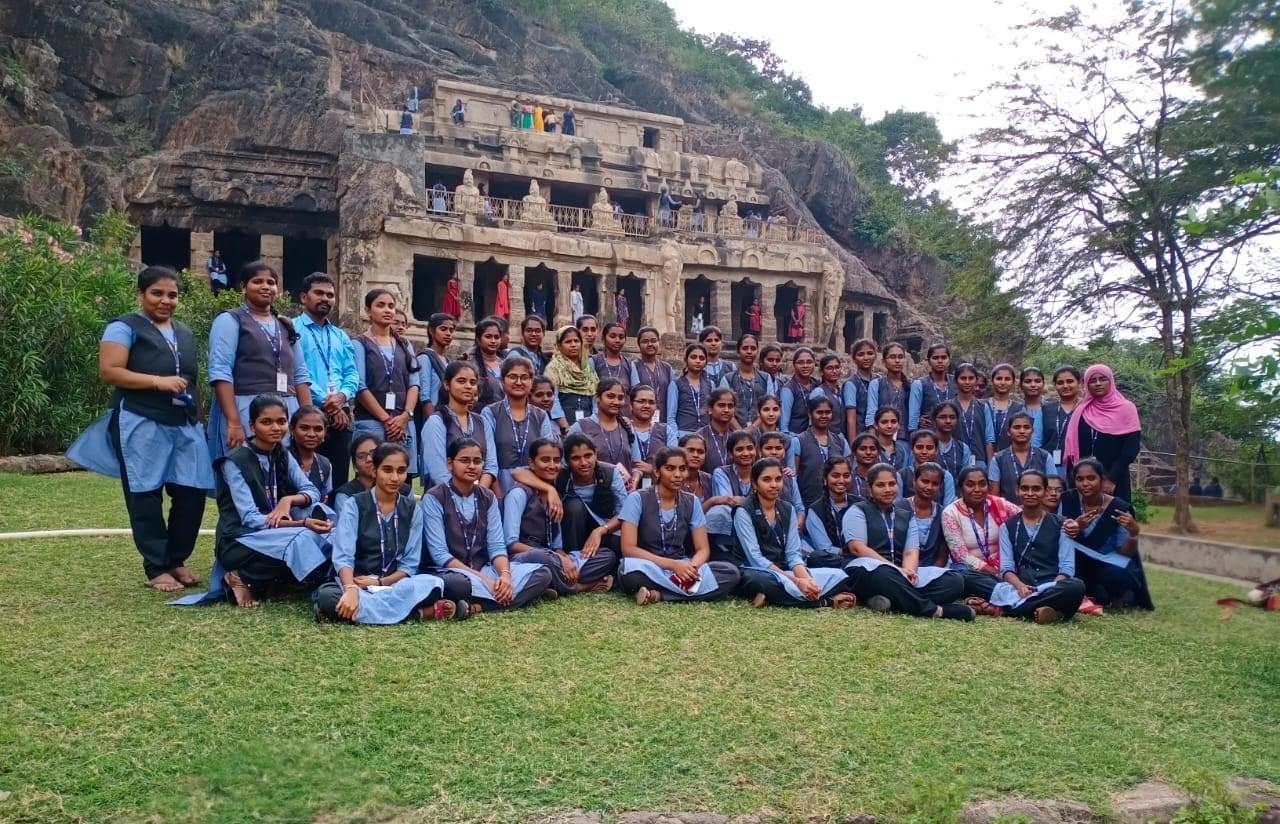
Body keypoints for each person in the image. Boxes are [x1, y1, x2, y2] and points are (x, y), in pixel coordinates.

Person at [67, 266, 213, 592]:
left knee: (192, 490)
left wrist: (199, 419)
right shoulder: (124, 327)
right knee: (145, 493)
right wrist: (157, 382)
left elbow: (192, 380)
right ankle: (156, 566)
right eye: (157, 293)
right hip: (140, 417)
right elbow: (110, 371)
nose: (165, 300)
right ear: (141, 295)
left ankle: (176, 558)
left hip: (184, 421)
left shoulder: (185, 333)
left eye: (172, 295)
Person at [313, 443, 465, 624]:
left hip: (394, 585)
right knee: (329, 597)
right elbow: (343, 557)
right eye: (387, 470)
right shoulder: (354, 505)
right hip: (357, 582)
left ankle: (350, 613)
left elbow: (409, 565)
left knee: (434, 585)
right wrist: (351, 588)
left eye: (401, 471)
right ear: (374, 471)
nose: (395, 477)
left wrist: (381, 583)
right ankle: (421, 614)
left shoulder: (412, 510)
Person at [212, 394, 333, 608]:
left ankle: (271, 583)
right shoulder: (234, 462)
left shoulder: (282, 454)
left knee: (324, 522)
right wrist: (301, 523)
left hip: (273, 533)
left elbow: (311, 490)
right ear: (252, 425)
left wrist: (287, 500)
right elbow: (250, 519)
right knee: (303, 538)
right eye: (266, 422)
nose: (275, 428)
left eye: (281, 421)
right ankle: (238, 576)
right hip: (239, 540)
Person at [422, 438, 553, 614]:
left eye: (477, 461)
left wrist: (505, 576)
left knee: (543, 574)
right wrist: (485, 580)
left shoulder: (488, 497)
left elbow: (497, 546)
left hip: (484, 568)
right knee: (457, 586)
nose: (471, 466)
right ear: (449, 463)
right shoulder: (434, 497)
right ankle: (518, 596)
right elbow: (439, 555)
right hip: (451, 571)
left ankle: (477, 607)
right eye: (464, 460)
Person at [207, 260, 312, 462]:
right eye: (257, 281)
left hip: (286, 409)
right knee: (247, 470)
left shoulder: (286, 325)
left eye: (271, 282)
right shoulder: (230, 320)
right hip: (246, 406)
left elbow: (300, 374)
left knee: (284, 472)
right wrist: (234, 422)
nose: (265, 286)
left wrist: (307, 417)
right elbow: (220, 372)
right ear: (243, 287)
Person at [841, 464, 972, 619]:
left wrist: (909, 572)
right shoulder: (858, 510)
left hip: (897, 573)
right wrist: (896, 570)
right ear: (869, 488)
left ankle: (885, 600)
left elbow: (911, 551)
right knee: (883, 573)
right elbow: (857, 548)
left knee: (954, 581)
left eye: (891, 484)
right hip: (865, 570)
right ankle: (933, 610)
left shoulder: (906, 516)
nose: (887, 489)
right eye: (880, 485)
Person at [619, 447, 742, 604]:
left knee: (730, 573)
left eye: (682, 469)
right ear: (657, 472)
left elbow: (703, 549)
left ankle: (659, 595)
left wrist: (692, 567)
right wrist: (673, 565)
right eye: (670, 468)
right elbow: (628, 549)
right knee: (629, 572)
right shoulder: (637, 498)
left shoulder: (692, 501)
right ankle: (683, 589)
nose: (677, 475)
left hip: (683, 566)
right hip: (650, 566)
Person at [732, 459, 854, 608]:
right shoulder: (743, 511)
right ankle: (827, 601)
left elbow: (793, 554)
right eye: (766, 480)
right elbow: (755, 558)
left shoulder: (788, 509)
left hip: (785, 571)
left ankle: (777, 597)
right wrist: (797, 581)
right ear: (755, 483)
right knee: (762, 581)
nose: (774, 485)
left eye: (778, 479)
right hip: (756, 571)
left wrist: (807, 581)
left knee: (840, 576)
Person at [504, 438, 618, 596]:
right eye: (545, 460)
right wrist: (557, 557)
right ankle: (577, 587)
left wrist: (565, 558)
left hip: (552, 557)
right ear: (531, 463)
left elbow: (556, 545)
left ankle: (550, 585)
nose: (552, 465)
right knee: (545, 559)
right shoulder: (518, 494)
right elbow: (511, 545)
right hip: (526, 557)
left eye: (556, 460)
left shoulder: (555, 492)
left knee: (608, 556)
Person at [984, 469, 1087, 623]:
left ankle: (1011, 610)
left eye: (1036, 489)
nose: (1030, 493)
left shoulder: (1062, 524)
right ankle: (1056, 612)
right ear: (1017, 491)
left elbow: (1067, 567)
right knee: (984, 582)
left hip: (1054, 586)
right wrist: (1020, 586)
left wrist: (1052, 586)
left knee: (1076, 586)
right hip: (1021, 588)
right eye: (1025, 488)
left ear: (1045, 491)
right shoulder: (1007, 527)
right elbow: (1006, 568)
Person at [1061, 458, 1154, 610]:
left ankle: (1114, 593)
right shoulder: (1067, 500)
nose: (1085, 483)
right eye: (1080, 479)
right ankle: (1093, 593)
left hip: (1107, 563)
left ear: (1102, 480)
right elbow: (1059, 535)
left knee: (1115, 575)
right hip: (1077, 562)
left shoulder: (1118, 508)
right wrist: (1075, 526)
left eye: (1091, 478)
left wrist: (1134, 533)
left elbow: (1125, 553)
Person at [353, 289, 420, 479]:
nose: (387, 310)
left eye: (391, 306)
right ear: (368, 310)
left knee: (399, 478)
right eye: (380, 305)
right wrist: (387, 420)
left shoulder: (404, 344)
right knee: (371, 477)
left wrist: (406, 416)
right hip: (371, 423)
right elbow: (360, 385)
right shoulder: (360, 343)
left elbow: (414, 384)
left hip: (402, 422)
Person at [941, 466, 1020, 606]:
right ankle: (1010, 593)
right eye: (970, 485)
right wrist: (991, 571)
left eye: (982, 484)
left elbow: (1025, 518)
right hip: (971, 570)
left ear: (988, 486)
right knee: (961, 577)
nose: (977, 489)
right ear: (961, 488)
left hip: (1004, 566)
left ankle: (993, 595)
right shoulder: (950, 513)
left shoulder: (1000, 504)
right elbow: (960, 555)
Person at [1062, 364, 1142, 503]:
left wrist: (1111, 478)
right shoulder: (1082, 409)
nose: (1098, 383)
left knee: (1114, 518)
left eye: (1103, 379)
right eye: (1092, 380)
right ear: (1086, 384)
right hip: (1082, 480)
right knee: (1081, 520)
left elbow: (1130, 449)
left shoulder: (1126, 408)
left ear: (1111, 381)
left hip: (1114, 479)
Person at [482, 357, 557, 491]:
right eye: (512, 377)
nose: (518, 382)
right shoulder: (490, 413)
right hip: (500, 483)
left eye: (524, 377)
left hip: (536, 485)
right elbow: (490, 461)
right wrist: (498, 496)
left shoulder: (540, 415)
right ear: (502, 382)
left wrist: (546, 490)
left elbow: (548, 457)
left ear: (531, 381)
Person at [421, 362, 498, 490]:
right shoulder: (436, 422)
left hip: (478, 496)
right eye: (461, 381)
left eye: (472, 383)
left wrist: (478, 495)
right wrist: (460, 497)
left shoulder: (482, 421)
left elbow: (491, 465)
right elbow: (438, 471)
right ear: (447, 385)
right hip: (443, 497)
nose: (468, 386)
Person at [788, 396, 851, 505]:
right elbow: (794, 476)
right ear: (810, 414)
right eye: (819, 412)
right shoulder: (799, 441)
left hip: (837, 504)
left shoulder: (840, 441)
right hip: (808, 503)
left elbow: (849, 473)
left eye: (828, 412)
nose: (824, 416)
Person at [568, 378, 636, 477]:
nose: (616, 402)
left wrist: (635, 479)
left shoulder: (626, 426)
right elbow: (567, 463)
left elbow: (637, 464)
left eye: (620, 398)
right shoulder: (580, 427)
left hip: (625, 490)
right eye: (610, 396)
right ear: (597, 398)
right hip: (593, 489)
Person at [333, 432, 412, 512]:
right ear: (355, 465)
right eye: (361, 457)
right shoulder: (346, 495)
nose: (369, 459)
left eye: (373, 453)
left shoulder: (405, 491)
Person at [989, 412, 1059, 503]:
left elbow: (1051, 488)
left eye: (1026, 427)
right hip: (1008, 514)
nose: (1022, 431)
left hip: (1039, 512)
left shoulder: (1045, 457)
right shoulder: (998, 459)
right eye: (1017, 427)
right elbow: (994, 496)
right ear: (1009, 432)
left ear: (1032, 431)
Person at [803, 456, 858, 569]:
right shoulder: (815, 509)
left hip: (860, 555)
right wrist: (849, 552)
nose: (841, 480)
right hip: (834, 560)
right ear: (825, 479)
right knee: (816, 557)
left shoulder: (860, 504)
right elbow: (824, 548)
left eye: (846, 476)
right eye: (835, 476)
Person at [545, 325, 597, 426]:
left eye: (576, 341)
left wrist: (594, 422)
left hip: (588, 425)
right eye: (568, 342)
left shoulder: (588, 368)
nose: (573, 345)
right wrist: (564, 425)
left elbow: (595, 398)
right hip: (561, 425)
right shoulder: (553, 368)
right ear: (559, 345)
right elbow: (553, 399)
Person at [903, 462, 949, 567]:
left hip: (931, 571)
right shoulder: (898, 508)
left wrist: (931, 575)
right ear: (914, 481)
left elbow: (942, 557)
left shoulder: (944, 514)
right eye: (925, 481)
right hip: (902, 568)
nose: (929, 487)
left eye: (935, 484)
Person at [629, 384, 677, 482]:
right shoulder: (623, 429)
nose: (646, 406)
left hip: (660, 489)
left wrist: (652, 469)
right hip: (628, 487)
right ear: (631, 405)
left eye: (651, 402)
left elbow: (674, 462)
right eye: (641, 401)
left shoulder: (666, 431)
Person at [721, 333, 768, 428]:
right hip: (734, 433)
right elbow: (724, 408)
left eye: (753, 348)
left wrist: (753, 428)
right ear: (738, 352)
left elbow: (769, 406)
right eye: (745, 348)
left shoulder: (766, 378)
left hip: (760, 432)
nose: (749, 351)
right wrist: (740, 431)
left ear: (757, 352)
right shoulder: (728, 379)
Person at [288, 406, 333, 504]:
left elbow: (324, 499)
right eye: (304, 428)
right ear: (292, 429)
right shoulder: (280, 458)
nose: (311, 434)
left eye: (318, 429)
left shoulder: (325, 464)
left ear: (325, 432)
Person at [899, 429, 958, 505]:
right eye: (919, 447)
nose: (924, 452)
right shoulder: (902, 475)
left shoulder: (946, 476)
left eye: (929, 448)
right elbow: (897, 505)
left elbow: (948, 507)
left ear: (936, 450)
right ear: (912, 449)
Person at [908, 343, 958, 432]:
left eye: (943, 357)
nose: (940, 361)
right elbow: (913, 417)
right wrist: (913, 433)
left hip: (954, 435)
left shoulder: (957, 382)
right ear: (929, 361)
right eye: (935, 358)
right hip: (928, 437)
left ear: (949, 360)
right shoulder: (919, 384)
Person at [864, 342, 909, 436]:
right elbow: (871, 413)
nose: (897, 361)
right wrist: (872, 438)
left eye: (900, 357)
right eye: (892, 357)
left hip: (906, 438)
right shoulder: (876, 384)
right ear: (884, 361)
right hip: (882, 437)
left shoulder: (912, 385)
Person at [953, 363, 994, 467]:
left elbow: (989, 439)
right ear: (955, 381)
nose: (967, 382)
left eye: (971, 378)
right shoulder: (949, 406)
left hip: (979, 460)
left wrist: (990, 466)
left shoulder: (983, 406)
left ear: (976, 381)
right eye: (963, 378)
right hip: (955, 459)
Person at [417, 312, 455, 421]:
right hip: (432, 414)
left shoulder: (447, 361)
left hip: (446, 413)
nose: (448, 333)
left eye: (451, 330)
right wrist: (432, 421)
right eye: (443, 329)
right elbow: (425, 397)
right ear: (431, 331)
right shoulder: (425, 358)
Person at [668, 343, 711, 436]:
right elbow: (671, 417)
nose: (698, 361)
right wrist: (675, 438)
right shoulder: (676, 384)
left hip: (705, 436)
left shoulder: (710, 384)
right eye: (693, 357)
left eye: (701, 358)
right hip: (683, 434)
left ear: (706, 362)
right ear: (686, 360)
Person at [1042, 366, 1082, 466]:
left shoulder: (1087, 408)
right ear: (1055, 385)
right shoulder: (1046, 409)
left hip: (1080, 466)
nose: (1065, 385)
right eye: (1060, 383)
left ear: (1079, 383)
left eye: (1070, 381)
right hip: (1049, 465)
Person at [631, 327, 673, 420]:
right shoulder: (633, 366)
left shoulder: (667, 368)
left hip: (663, 419)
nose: (650, 344)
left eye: (653, 341)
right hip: (640, 419)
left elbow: (672, 396)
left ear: (659, 343)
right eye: (645, 341)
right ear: (639, 345)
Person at [841, 338, 878, 441]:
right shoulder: (851, 384)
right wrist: (853, 445)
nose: (866, 358)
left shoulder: (880, 380)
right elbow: (851, 419)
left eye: (870, 353)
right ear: (854, 358)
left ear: (875, 355)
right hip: (861, 437)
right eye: (861, 354)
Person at [695, 388, 738, 474]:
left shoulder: (737, 438)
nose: (726, 410)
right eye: (721, 405)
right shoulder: (699, 437)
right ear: (710, 409)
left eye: (730, 406)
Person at [591, 322, 632, 403]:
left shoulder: (630, 364)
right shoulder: (594, 361)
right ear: (603, 339)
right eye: (612, 336)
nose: (617, 340)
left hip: (624, 412)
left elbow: (634, 392)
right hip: (599, 412)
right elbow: (590, 391)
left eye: (621, 337)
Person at [780, 347, 818, 435]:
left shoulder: (817, 385)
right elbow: (784, 426)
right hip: (795, 437)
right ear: (794, 365)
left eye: (809, 362)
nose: (805, 366)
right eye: (800, 362)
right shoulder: (788, 389)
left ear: (814, 364)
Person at [809, 354, 847, 434]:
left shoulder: (842, 391)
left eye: (837, 367)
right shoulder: (818, 392)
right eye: (829, 368)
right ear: (821, 371)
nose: (834, 371)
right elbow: (813, 420)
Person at [988, 364, 1022, 452]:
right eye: (999, 379)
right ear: (992, 380)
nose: (1003, 382)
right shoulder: (981, 405)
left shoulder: (1019, 408)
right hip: (983, 458)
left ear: (1013, 382)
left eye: (1007, 379)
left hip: (1009, 458)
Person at [871, 408, 909, 473]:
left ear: (898, 425)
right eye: (884, 422)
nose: (889, 426)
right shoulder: (870, 449)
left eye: (893, 422)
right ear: (876, 425)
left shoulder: (903, 450)